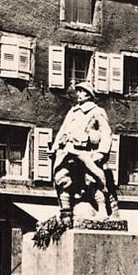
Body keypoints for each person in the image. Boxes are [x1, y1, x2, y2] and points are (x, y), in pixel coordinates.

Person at [50, 81, 119, 226]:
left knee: (92, 179)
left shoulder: (96, 111)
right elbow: (63, 130)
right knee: (62, 178)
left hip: (87, 151)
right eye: (78, 91)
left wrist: (101, 152)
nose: (78, 94)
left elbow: (106, 133)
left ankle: (102, 210)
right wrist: (56, 146)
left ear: (88, 95)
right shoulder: (73, 111)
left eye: (81, 92)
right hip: (68, 150)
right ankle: (66, 213)